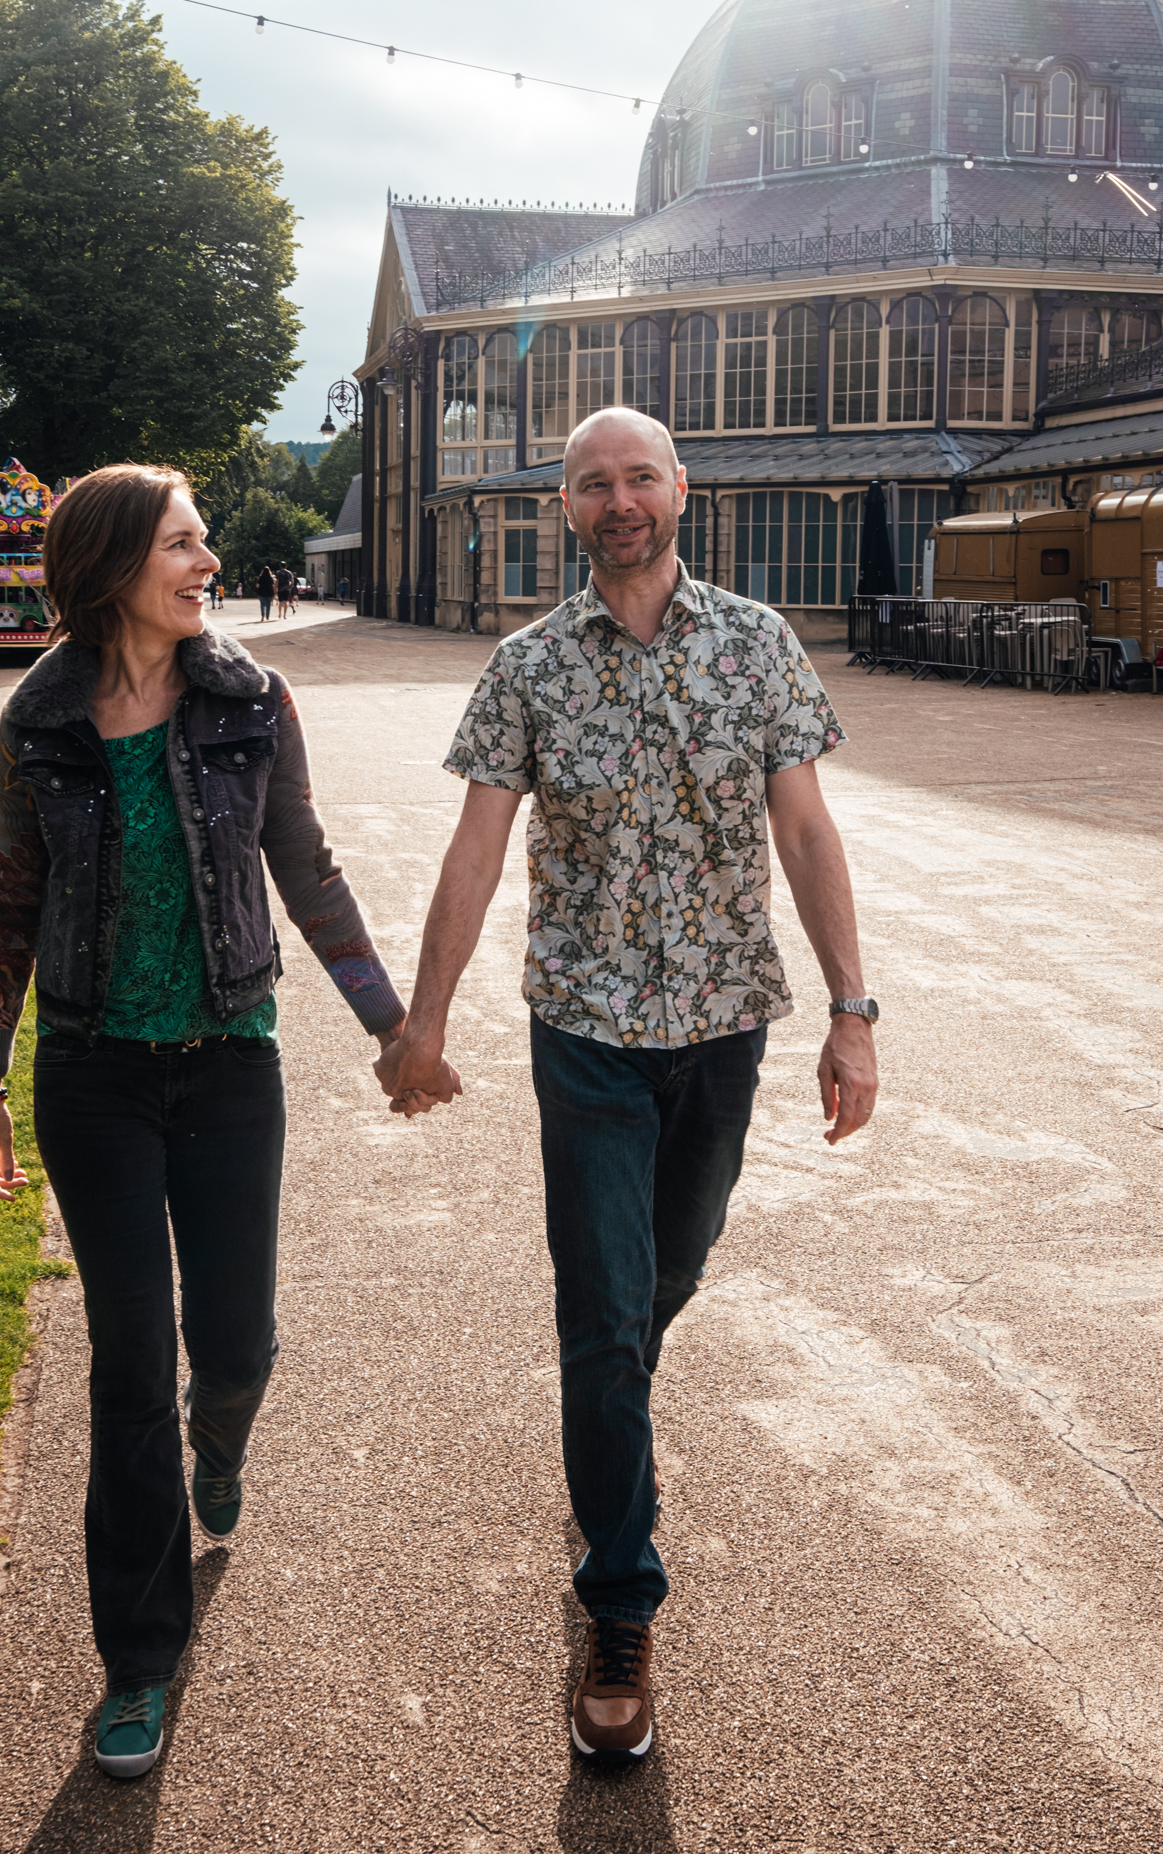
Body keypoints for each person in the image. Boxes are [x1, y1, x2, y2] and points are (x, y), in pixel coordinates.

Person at [375, 408, 878, 1761]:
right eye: (594, 482)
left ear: (680, 489)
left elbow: (808, 828)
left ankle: (611, 1442)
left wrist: (853, 1012)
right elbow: (475, 853)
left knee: (663, 1283)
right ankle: (620, 1599)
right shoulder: (526, 668)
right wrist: (422, 1024)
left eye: (639, 475)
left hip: (724, 1031)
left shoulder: (758, 643)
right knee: (601, 1320)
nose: (619, 499)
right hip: (586, 1033)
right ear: (565, 506)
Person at [0, 464, 406, 1779]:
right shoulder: (40, 717)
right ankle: (137, 1664)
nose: (208, 562)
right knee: (128, 1367)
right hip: (92, 1075)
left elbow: (305, 864)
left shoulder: (249, 700)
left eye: (204, 541)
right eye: (185, 542)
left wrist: (389, 1022)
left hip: (227, 1066)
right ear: (112, 567)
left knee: (233, 1340)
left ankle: (229, 1438)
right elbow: (8, 903)